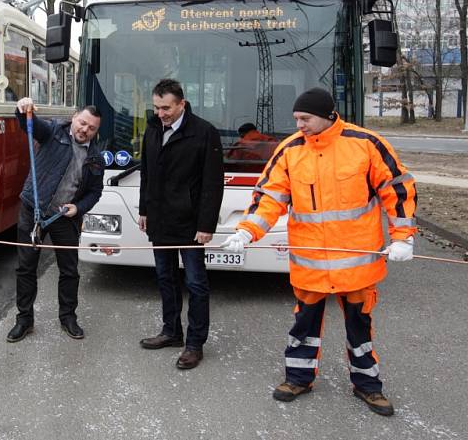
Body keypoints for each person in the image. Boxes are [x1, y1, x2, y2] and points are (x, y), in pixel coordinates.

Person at [221, 87, 417, 416]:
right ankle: (298, 378)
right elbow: (269, 199)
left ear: (328, 116)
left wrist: (403, 237)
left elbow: (396, 188)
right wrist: (246, 231)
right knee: (304, 326)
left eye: (305, 118)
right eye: (297, 118)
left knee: (359, 329)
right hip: (311, 265)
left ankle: (368, 386)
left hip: (356, 265)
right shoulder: (289, 151)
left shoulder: (365, 144)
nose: (299, 125)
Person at [137, 78, 224, 370]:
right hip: (159, 220)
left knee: (195, 284)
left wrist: (206, 224)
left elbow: (213, 184)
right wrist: (144, 209)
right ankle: (171, 332)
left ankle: (194, 344)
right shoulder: (152, 128)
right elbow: (146, 172)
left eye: (166, 108)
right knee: (165, 278)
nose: (161, 113)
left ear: (181, 104)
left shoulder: (204, 133)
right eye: (157, 107)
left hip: (190, 224)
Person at [6, 97, 104, 343]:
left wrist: (78, 207)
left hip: (64, 217)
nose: (84, 130)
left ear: (96, 131)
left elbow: (95, 192)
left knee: (70, 270)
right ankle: (24, 320)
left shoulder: (95, 157)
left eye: (91, 128)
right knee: (26, 267)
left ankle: (68, 317)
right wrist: (22, 108)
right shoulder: (53, 132)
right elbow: (30, 124)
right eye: (82, 123)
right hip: (34, 210)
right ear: (74, 117)